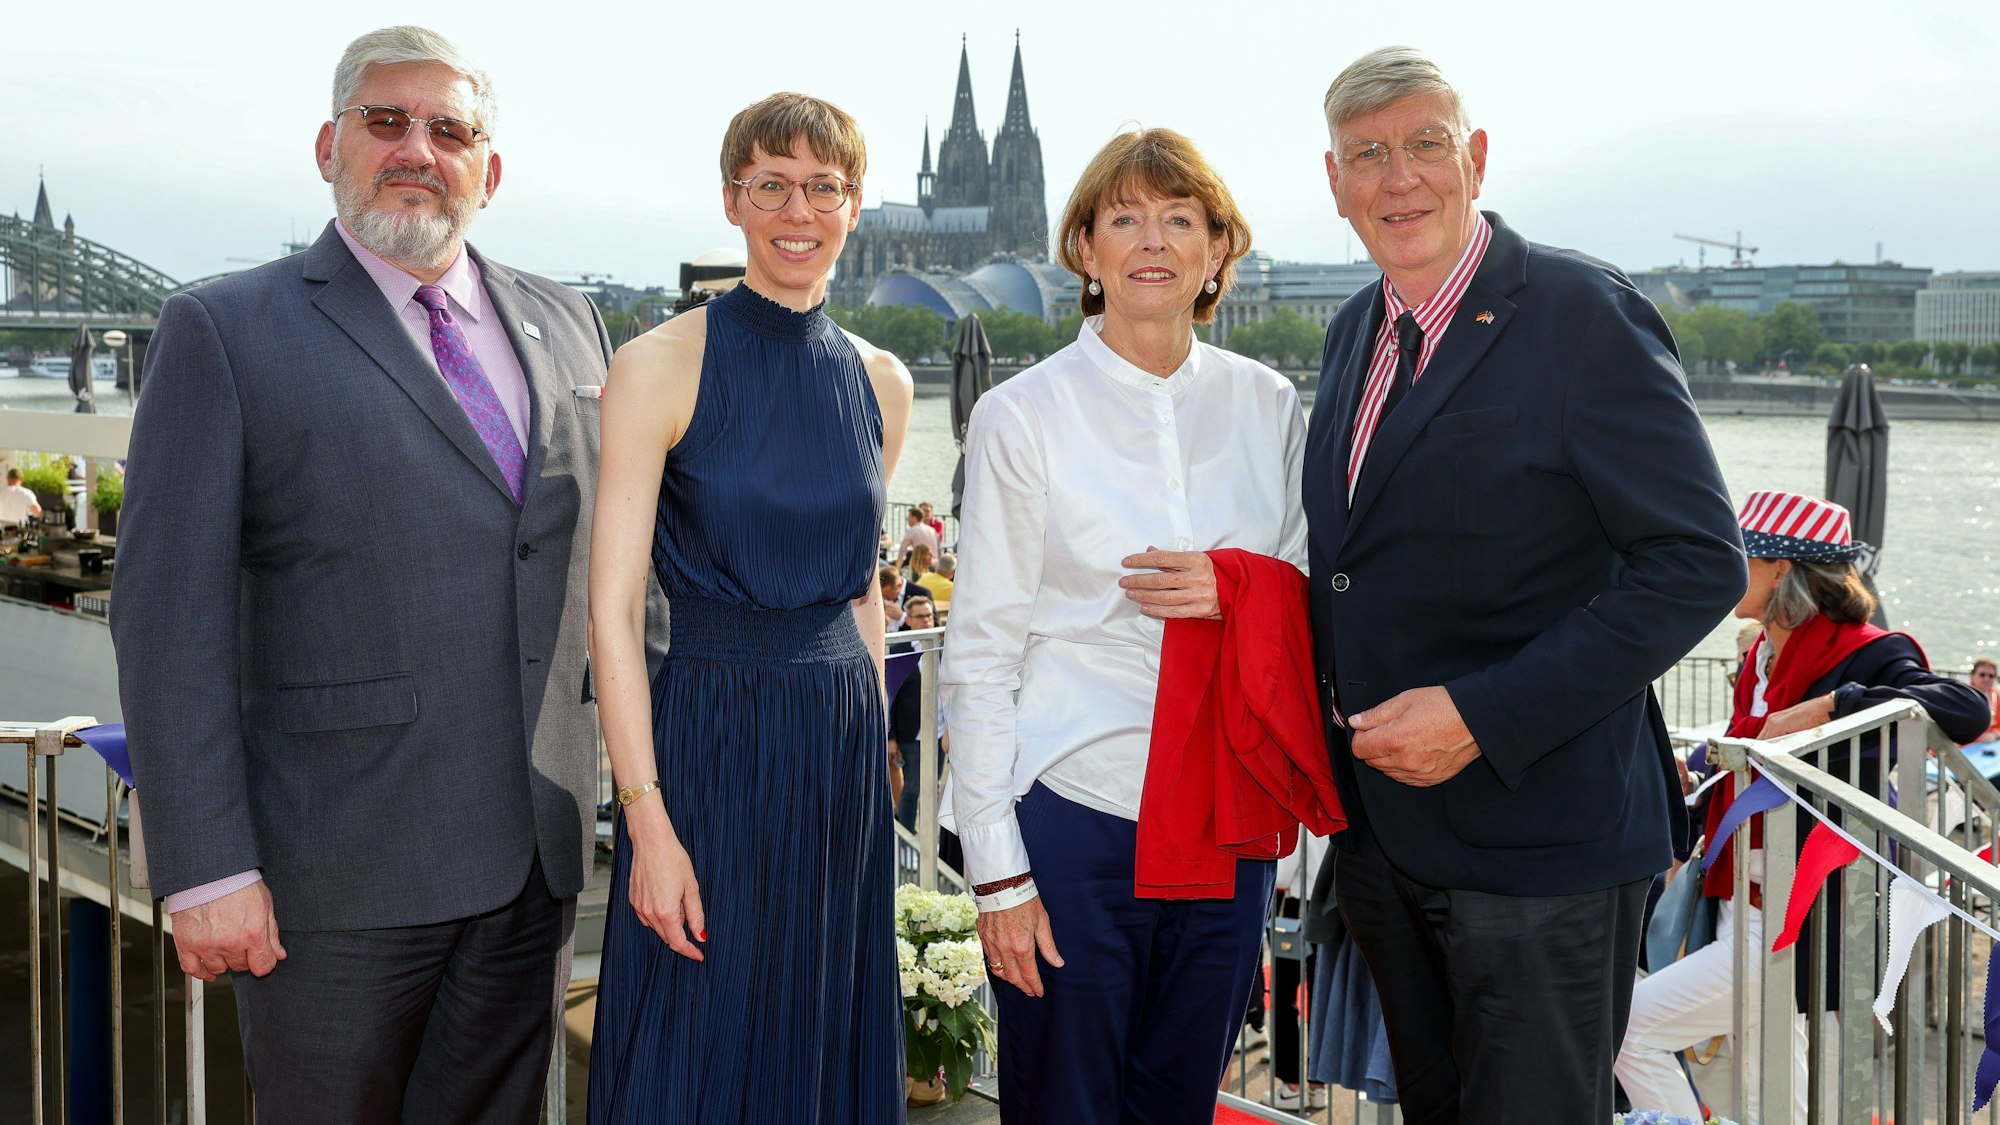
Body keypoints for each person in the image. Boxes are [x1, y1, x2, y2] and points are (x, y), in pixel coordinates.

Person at [109, 26, 644, 1122]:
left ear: (488, 171)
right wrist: (206, 870)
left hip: (533, 860)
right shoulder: (224, 329)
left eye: (450, 130)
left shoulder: (572, 323)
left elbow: (620, 574)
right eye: (385, 120)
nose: (417, 148)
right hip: (333, 874)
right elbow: (168, 623)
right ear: (328, 145)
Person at [1300, 47, 1747, 1124]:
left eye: (1423, 145)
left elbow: (1696, 564)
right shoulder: (1353, 327)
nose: (1396, 177)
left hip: (1539, 845)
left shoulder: (1578, 314)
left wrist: (1479, 714)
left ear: (1476, 158)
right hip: (1384, 844)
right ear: (1332, 183)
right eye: (1366, 155)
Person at [942, 127, 1335, 1124]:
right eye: (1123, 218)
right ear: (1083, 248)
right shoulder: (1020, 416)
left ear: (1215, 248)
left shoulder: (1268, 403)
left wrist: (1230, 586)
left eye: (1177, 218)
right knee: (1062, 1102)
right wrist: (997, 877)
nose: (1150, 240)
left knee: (1179, 1103)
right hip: (1076, 820)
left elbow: (1303, 580)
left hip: (1226, 824)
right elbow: (981, 655)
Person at [585, 91, 913, 1123]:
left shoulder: (882, 381)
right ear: (732, 200)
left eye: (823, 187)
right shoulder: (655, 366)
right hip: (711, 741)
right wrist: (647, 824)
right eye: (769, 184)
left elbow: (859, 585)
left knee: (819, 1029)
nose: (796, 210)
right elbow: (610, 612)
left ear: (854, 207)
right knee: (699, 1031)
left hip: (839, 753)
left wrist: (881, 758)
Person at [1616, 490, 1990, 1123]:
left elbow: (1966, 711)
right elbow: (1755, 750)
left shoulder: (1867, 650)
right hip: (1749, 900)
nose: (1728, 568)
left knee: (1626, 1031)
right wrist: (1704, 771)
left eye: (1745, 556)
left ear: (1783, 568)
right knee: (1768, 1085)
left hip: (1803, 912)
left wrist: (1831, 707)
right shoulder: (1764, 654)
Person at [890, 594, 938, 827]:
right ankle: (907, 837)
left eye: (930, 615)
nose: (927, 620)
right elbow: (889, 698)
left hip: (940, 731)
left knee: (934, 785)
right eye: (920, 617)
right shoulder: (899, 650)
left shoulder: (943, 645)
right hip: (912, 733)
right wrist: (891, 738)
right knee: (913, 787)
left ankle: (927, 836)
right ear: (908, 620)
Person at [1966, 657, 1999, 744]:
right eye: (1982, 675)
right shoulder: (1961, 694)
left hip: (1989, 745)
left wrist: (1995, 734)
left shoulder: (1997, 696)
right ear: (1972, 675)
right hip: (1964, 745)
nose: (1986, 679)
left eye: (1991, 676)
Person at [0, 467, 41, 532]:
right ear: (21, 479)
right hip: (19, 532)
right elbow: (37, 512)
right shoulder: (27, 493)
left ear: (7, 479)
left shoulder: (1, 493)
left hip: (3, 532)